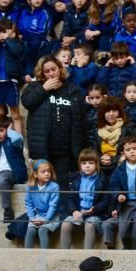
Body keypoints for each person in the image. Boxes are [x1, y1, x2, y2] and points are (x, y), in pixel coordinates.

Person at [21, 55, 88, 187]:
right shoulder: (34, 87)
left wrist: (81, 147)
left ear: (60, 69)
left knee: (62, 187)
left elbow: (82, 121)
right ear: (42, 73)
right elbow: (27, 102)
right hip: (42, 148)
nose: (51, 73)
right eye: (47, 71)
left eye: (54, 69)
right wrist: (44, 89)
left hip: (65, 150)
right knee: (42, 187)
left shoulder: (73, 90)